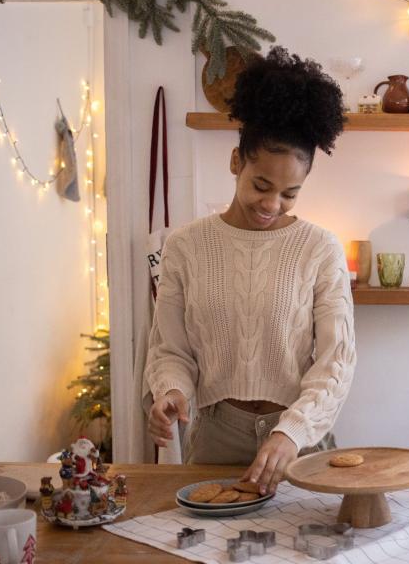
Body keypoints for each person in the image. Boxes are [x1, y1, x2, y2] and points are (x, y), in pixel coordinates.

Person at [145, 47, 354, 496]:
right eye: (262, 185)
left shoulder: (319, 248)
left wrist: (291, 430)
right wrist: (172, 393)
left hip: (298, 439)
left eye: (290, 194)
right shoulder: (185, 246)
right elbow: (171, 350)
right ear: (237, 161)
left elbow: (335, 361)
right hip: (216, 438)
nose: (272, 205)